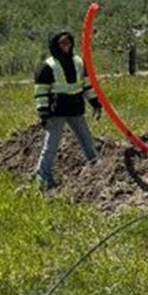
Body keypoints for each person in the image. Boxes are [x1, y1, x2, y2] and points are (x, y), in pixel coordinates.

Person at [33, 29, 102, 191]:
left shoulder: (79, 62)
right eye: (62, 43)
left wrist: (95, 102)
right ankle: (43, 177)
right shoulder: (47, 66)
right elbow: (41, 91)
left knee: (87, 142)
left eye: (68, 42)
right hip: (57, 112)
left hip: (76, 109)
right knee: (51, 146)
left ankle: (97, 171)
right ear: (55, 45)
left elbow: (86, 85)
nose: (66, 46)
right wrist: (43, 112)